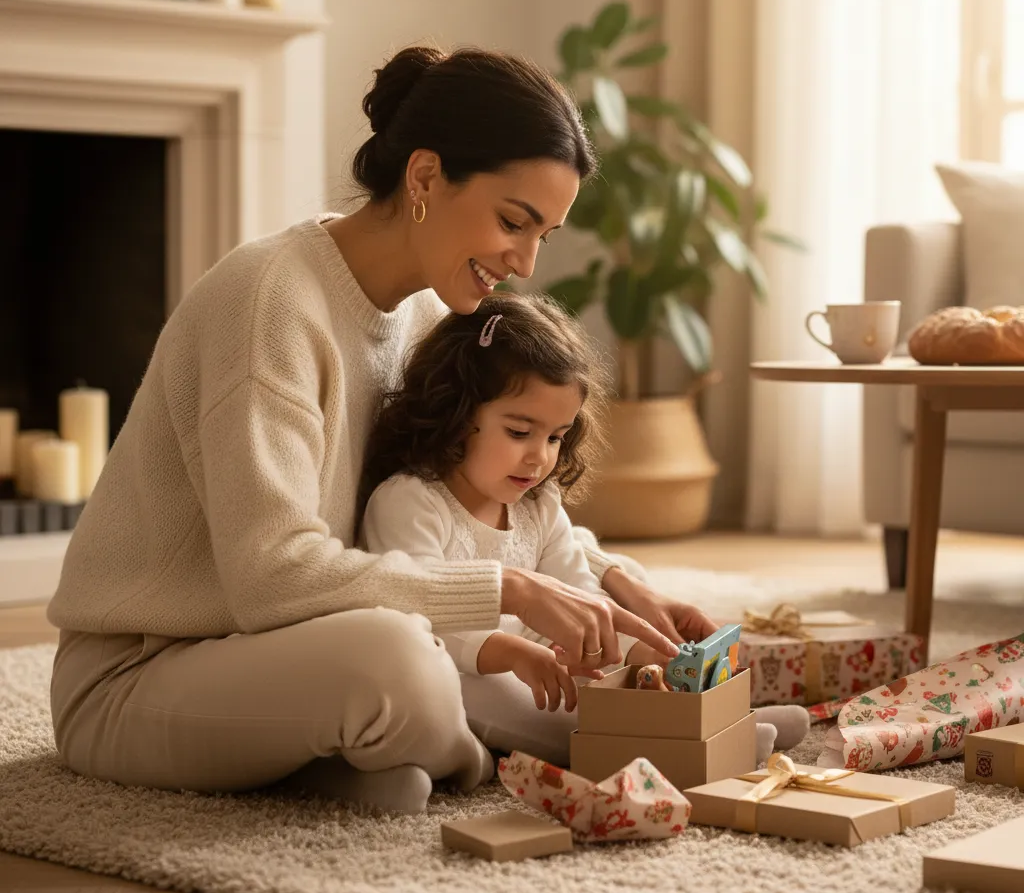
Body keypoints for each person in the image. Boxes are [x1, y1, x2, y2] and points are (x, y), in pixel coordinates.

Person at [46, 45, 719, 816]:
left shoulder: (435, 312)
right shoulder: (269, 300)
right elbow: (272, 578)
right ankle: (466, 747)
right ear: (425, 177)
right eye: (512, 221)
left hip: (290, 654)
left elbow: (481, 498)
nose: (526, 261)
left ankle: (356, 761)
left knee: (461, 653)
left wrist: (611, 578)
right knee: (406, 661)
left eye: (544, 235)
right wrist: (513, 591)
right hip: (139, 677)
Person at [359, 294, 810, 766]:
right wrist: (509, 653)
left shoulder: (538, 503)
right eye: (519, 432)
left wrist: (642, 656)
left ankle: (711, 722)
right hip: (462, 672)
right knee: (488, 694)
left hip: (538, 662)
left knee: (604, 668)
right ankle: (656, 751)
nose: (540, 457)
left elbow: (581, 594)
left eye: (555, 437)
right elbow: (414, 612)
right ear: (455, 414)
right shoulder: (410, 501)